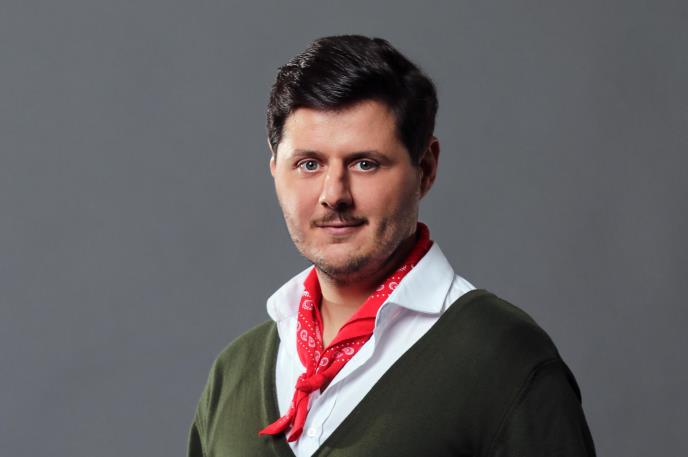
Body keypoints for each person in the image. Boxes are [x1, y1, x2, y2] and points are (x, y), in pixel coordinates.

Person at [187, 35, 596, 457]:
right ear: (276, 171)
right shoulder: (233, 374)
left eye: (365, 164)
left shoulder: (504, 360)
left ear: (426, 168)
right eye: (309, 164)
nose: (334, 194)